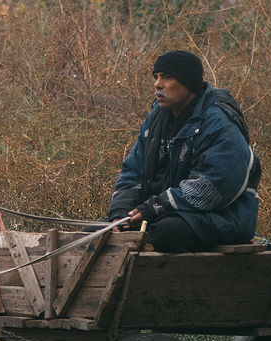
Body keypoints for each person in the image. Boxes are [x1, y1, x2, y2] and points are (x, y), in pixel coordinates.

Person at [106, 50, 261, 252]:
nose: (157, 84)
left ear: (189, 83)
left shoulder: (218, 122)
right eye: (156, 77)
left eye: (167, 77)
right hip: (164, 214)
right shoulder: (157, 119)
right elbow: (132, 172)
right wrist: (120, 214)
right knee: (100, 232)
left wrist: (155, 206)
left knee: (165, 233)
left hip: (222, 217)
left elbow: (213, 187)